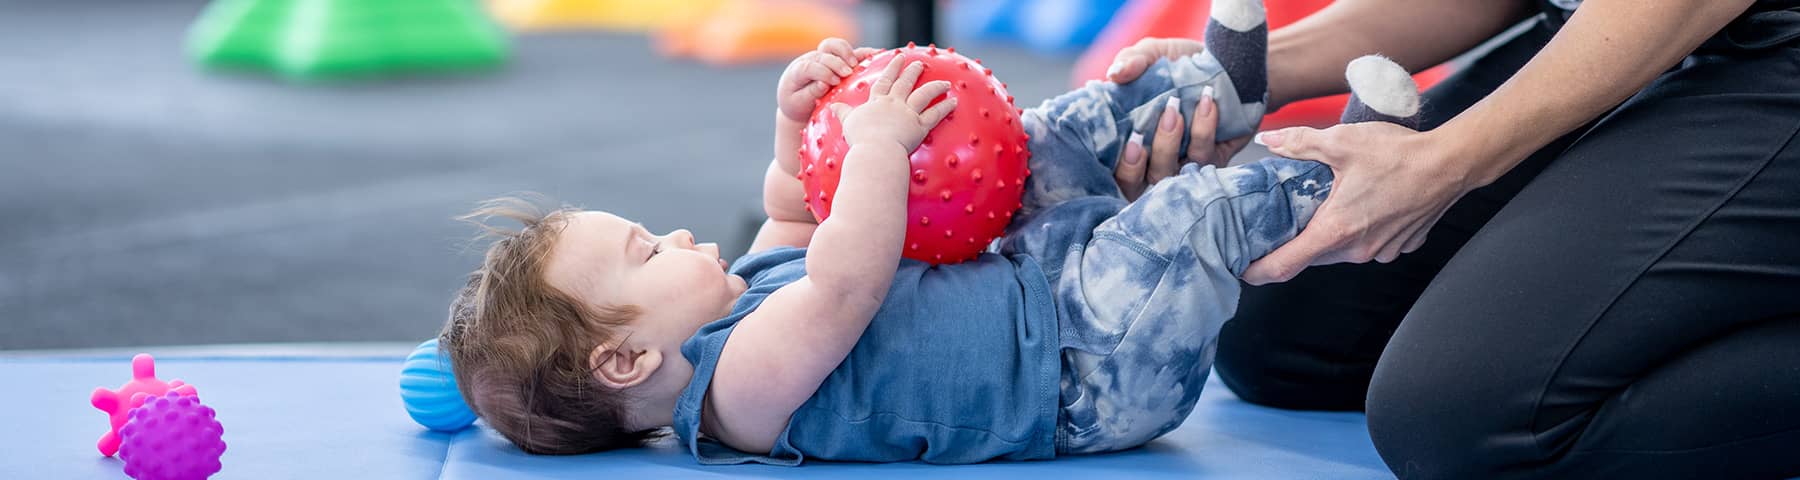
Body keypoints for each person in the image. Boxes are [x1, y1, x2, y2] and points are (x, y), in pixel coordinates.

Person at [435, 0, 1427, 464]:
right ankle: (1339, 170)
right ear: (622, 361)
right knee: (1192, 217)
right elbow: (844, 283)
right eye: (647, 252)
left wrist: (799, 118)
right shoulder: (737, 400)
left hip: (1029, 279)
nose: (679, 234)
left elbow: (796, 211)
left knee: (1051, 137)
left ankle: (1222, 93)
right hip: (1087, 375)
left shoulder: (737, 300)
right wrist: (872, 143)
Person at [1106, 0, 1800, 477]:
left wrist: (1445, 161)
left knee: (1472, 423)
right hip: (1617, 27)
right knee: (1283, 336)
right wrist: (1251, 71)